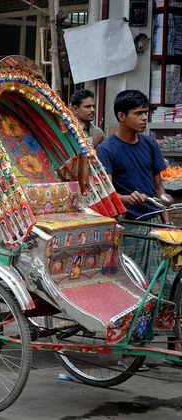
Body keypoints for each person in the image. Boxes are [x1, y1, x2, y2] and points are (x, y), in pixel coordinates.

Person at [96, 90, 171, 372]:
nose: (143, 118)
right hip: (128, 226)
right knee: (134, 291)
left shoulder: (150, 145)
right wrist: (129, 198)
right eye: (138, 113)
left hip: (154, 224)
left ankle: (170, 343)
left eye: (145, 113)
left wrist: (166, 218)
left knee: (161, 284)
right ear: (121, 116)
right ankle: (127, 351)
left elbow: (160, 187)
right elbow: (107, 191)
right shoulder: (108, 150)